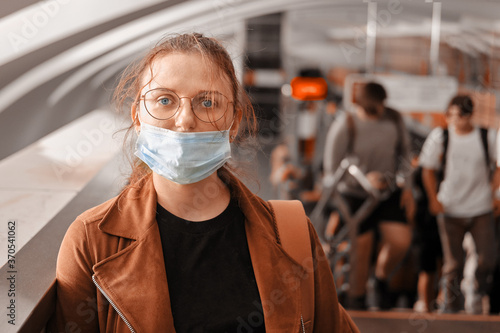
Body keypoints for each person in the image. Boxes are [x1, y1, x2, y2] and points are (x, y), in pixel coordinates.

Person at [47, 33, 358, 332]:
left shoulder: (292, 235)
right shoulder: (91, 242)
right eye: (164, 100)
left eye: (207, 103)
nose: (184, 120)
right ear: (138, 117)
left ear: (234, 123)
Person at [323, 81, 414, 310]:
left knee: (400, 241)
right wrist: (363, 180)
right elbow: (332, 169)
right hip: (355, 195)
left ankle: (381, 279)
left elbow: (405, 152)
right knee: (360, 249)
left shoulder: (394, 119)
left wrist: (407, 185)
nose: (380, 110)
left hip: (387, 192)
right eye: (375, 107)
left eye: (383, 105)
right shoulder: (347, 124)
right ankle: (357, 300)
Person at [419, 94, 498, 314]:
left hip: (480, 207)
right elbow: (427, 169)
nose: (455, 120)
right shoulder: (440, 136)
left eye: (461, 115)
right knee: (453, 263)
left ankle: (476, 291)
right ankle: (452, 309)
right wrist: (434, 199)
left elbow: (498, 166)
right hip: (450, 207)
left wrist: (493, 192)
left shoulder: (486, 136)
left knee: (487, 258)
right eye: (451, 115)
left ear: (470, 115)